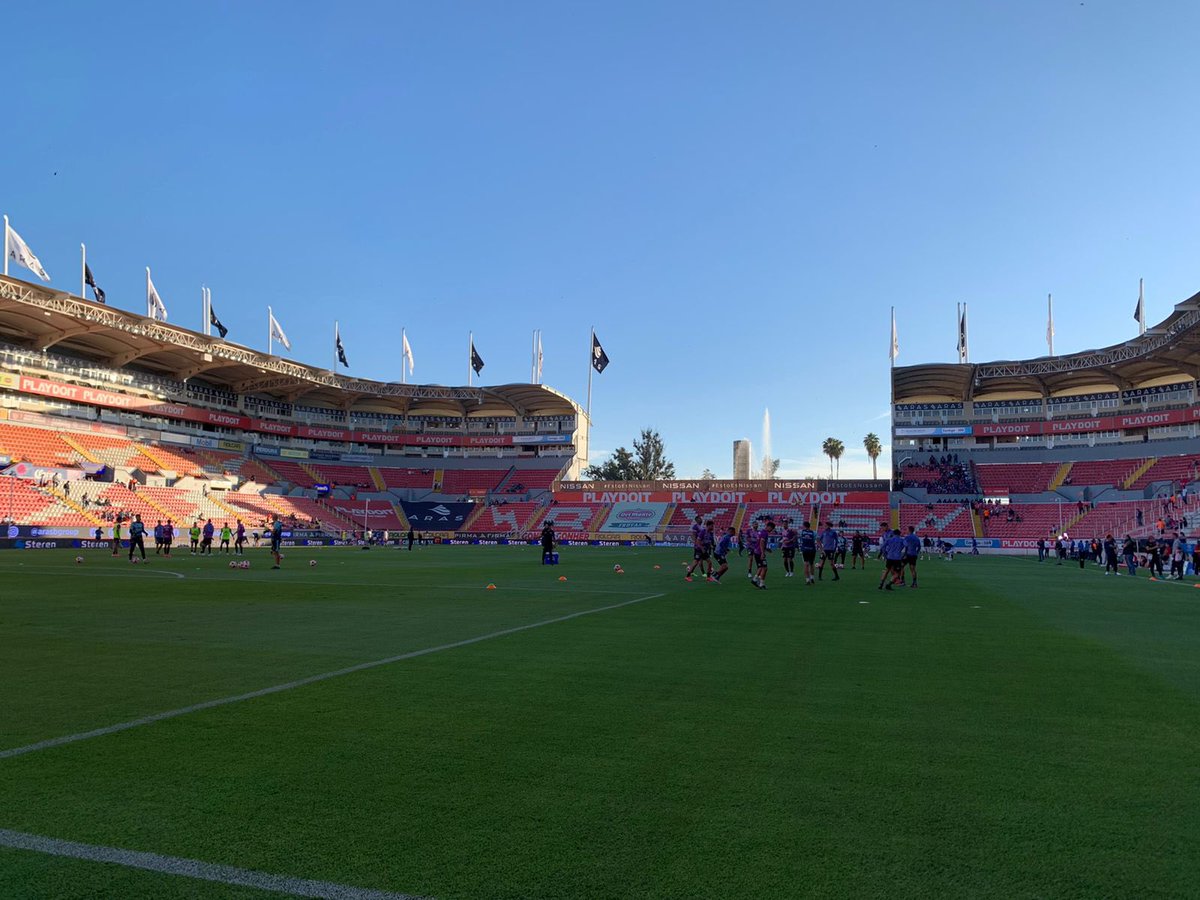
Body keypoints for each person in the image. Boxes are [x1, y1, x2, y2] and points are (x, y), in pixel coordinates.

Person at [751, 520, 776, 590]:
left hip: (756, 552)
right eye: (771, 528)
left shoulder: (761, 532)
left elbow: (760, 542)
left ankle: (755, 580)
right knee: (765, 568)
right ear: (768, 527)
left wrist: (767, 549)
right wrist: (762, 553)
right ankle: (761, 584)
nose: (771, 530)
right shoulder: (765, 533)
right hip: (759, 553)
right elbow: (761, 542)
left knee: (761, 567)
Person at [685, 515, 709, 582]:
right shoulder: (695, 527)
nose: (701, 520)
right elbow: (693, 535)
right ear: (697, 520)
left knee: (700, 561)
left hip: (701, 546)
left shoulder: (701, 527)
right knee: (696, 561)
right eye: (700, 519)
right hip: (698, 547)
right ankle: (689, 575)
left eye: (701, 519)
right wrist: (696, 544)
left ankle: (701, 573)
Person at [799, 520, 818, 585]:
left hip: (805, 550)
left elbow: (796, 534)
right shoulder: (814, 532)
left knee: (806, 564)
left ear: (804, 526)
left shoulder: (802, 532)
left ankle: (807, 580)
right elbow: (818, 541)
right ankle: (812, 577)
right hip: (812, 550)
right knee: (812, 564)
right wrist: (821, 549)